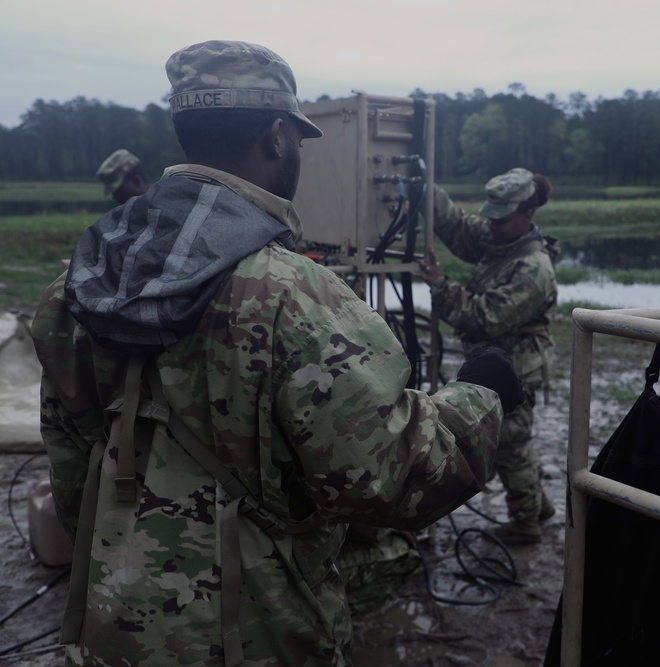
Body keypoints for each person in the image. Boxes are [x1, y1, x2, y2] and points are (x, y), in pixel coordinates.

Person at [31, 39, 522, 667]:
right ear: (276, 137)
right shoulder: (295, 295)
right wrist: (478, 394)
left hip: (114, 628)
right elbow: (397, 479)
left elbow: (73, 478)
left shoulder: (78, 282)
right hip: (256, 634)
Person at [417, 168, 559, 545]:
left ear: (527, 215)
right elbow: (459, 228)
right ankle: (539, 507)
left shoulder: (532, 267)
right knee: (508, 441)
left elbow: (484, 318)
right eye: (490, 216)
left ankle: (526, 522)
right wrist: (424, 186)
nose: (490, 225)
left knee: (511, 443)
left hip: (518, 366)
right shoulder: (502, 239)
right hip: (500, 363)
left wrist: (440, 286)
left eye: (501, 218)